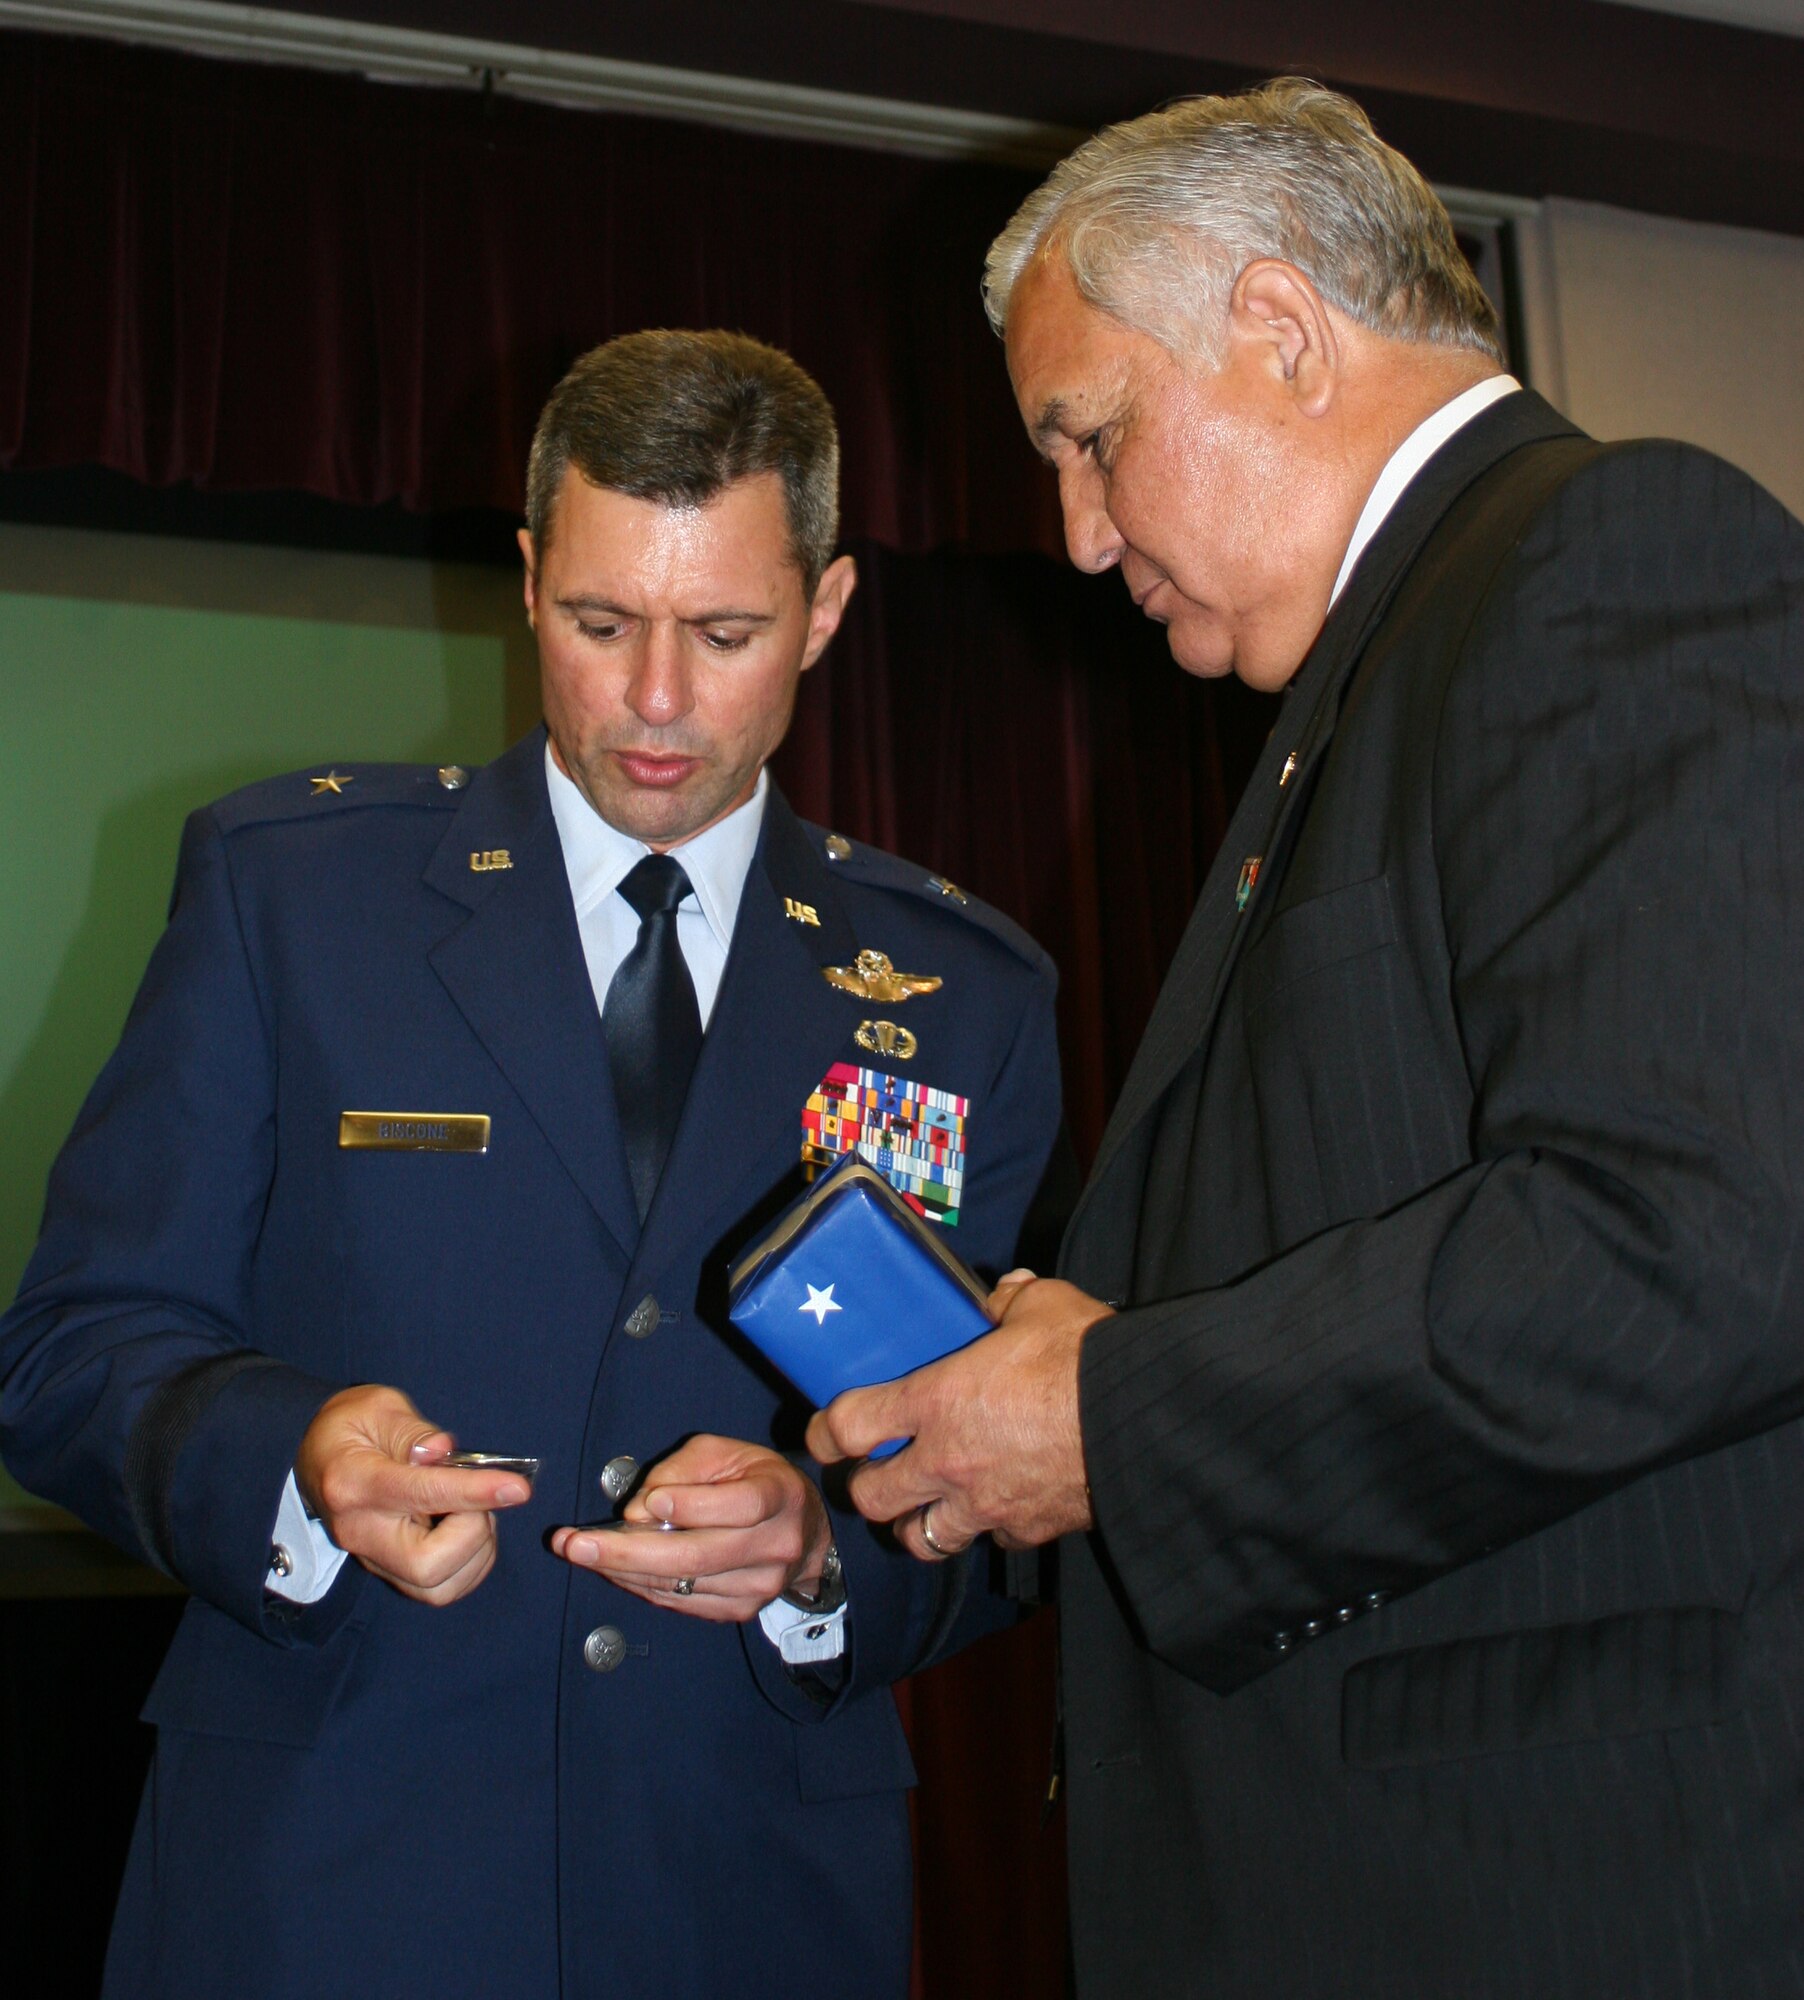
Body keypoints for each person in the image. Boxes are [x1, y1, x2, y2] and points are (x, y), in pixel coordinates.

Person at [808, 78, 1804, 1997]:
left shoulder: (1604, 560)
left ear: (1278, 331)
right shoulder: (1391, 667)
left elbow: (1704, 1229)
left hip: (1551, 1898)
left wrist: (1115, 1413)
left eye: (1091, 439)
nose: (1081, 538)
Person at [0, 329, 1061, 1999]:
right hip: (325, 1889)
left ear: (830, 609)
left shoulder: (963, 994)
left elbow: (1008, 1505)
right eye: (597, 621)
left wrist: (816, 1554)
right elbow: (69, 1346)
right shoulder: (291, 895)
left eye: (723, 633)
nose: (653, 697)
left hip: (746, 1902)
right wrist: (296, 1459)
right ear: (524, 580)